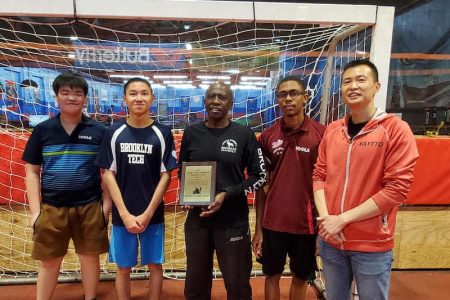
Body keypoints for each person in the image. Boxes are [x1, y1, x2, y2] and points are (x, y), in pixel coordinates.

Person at [312, 59, 419, 300]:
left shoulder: (395, 130)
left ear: (376, 87)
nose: (353, 86)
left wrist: (342, 220)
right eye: (347, 81)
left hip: (371, 244)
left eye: (361, 80)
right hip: (331, 240)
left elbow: (396, 190)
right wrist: (328, 221)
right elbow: (319, 175)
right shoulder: (332, 130)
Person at [22, 72, 111, 300]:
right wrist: (35, 212)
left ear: (85, 99)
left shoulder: (99, 131)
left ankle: (90, 297)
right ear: (56, 97)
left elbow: (109, 172)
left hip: (90, 207)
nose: (72, 97)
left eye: (77, 93)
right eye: (65, 93)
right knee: (49, 262)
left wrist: (106, 207)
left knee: (90, 258)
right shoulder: (43, 130)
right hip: (52, 208)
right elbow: (32, 172)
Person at [179, 81, 266, 300]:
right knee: (195, 286)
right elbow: (183, 170)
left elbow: (260, 176)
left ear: (231, 103)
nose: (216, 101)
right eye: (211, 96)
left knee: (237, 286)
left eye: (222, 97)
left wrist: (227, 194)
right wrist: (189, 194)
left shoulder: (244, 134)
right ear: (205, 101)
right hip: (197, 220)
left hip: (232, 222)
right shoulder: (191, 133)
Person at [96, 78, 177, 300]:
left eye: (144, 93)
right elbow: (108, 174)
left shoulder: (163, 132)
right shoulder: (112, 131)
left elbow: (166, 175)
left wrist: (148, 213)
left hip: (153, 215)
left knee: (155, 265)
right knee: (123, 267)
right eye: (133, 93)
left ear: (152, 97)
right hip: (123, 215)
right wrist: (123, 213)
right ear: (124, 99)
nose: (138, 98)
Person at [252, 76, 326, 300]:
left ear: (305, 97)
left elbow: (327, 182)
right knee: (271, 275)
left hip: (307, 224)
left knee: (300, 277)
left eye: (294, 93)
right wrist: (258, 228)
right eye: (282, 95)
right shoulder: (267, 137)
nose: (288, 99)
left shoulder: (322, 135)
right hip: (273, 222)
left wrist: (322, 227)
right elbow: (261, 186)